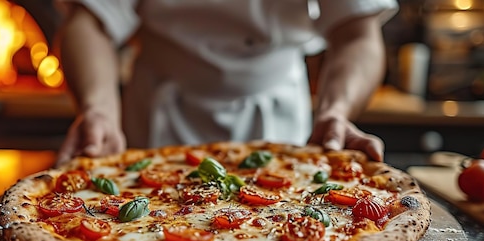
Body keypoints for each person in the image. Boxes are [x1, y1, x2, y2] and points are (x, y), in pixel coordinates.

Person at [54, 0, 398, 166]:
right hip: (156, 113)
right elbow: (89, 22)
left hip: (278, 117)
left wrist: (337, 110)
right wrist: (98, 108)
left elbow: (357, 35)